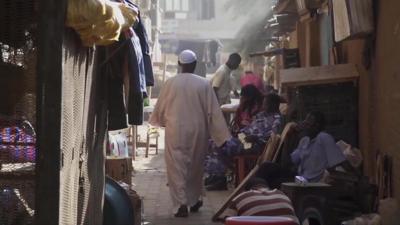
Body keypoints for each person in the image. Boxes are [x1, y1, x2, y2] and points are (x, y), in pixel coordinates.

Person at [149, 50, 231, 217]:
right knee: (195, 165)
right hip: (198, 130)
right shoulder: (204, 84)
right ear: (194, 65)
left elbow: (160, 108)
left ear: (180, 64)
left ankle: (181, 204)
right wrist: (222, 137)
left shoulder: (170, 83)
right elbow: (213, 112)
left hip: (175, 130)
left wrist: (160, 122)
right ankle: (193, 200)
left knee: (176, 167)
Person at [256, 111, 356, 189]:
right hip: (299, 177)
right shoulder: (305, 140)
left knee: (275, 182)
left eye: (308, 124)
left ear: (317, 126)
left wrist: (357, 178)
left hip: (309, 182)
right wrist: (289, 138)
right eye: (305, 122)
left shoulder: (324, 138)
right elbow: (287, 163)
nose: (305, 126)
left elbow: (342, 162)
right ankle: (253, 196)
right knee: (266, 167)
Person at [205, 93, 282, 191]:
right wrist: (238, 132)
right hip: (244, 140)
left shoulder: (277, 119)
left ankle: (219, 179)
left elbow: (271, 137)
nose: (263, 105)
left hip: (255, 145)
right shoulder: (261, 115)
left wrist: (256, 138)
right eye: (264, 103)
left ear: (274, 104)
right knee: (212, 142)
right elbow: (249, 128)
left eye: (266, 103)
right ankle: (216, 176)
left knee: (219, 145)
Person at [225, 177, 299, 224]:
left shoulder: (241, 197)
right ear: (268, 187)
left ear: (247, 190)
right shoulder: (283, 195)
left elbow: (227, 221)